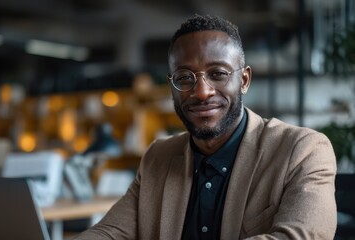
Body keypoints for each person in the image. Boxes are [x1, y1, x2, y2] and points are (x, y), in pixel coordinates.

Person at [71, 14, 337, 239]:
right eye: (184, 77)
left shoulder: (303, 150)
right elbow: (109, 233)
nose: (201, 92)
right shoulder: (158, 157)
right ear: (171, 86)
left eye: (218, 74)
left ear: (244, 80)